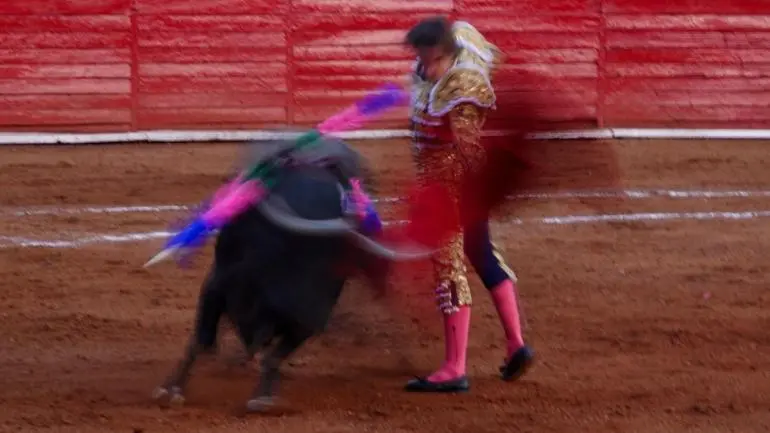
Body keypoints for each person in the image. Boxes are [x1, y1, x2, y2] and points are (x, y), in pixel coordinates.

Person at [403, 16, 534, 393]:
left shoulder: (462, 89)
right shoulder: (430, 71)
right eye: (422, 59)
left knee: (448, 269)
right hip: (449, 186)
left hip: (453, 190)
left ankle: (454, 368)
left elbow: (470, 152)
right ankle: (516, 344)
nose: (427, 68)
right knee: (482, 254)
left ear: (448, 55)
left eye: (434, 61)